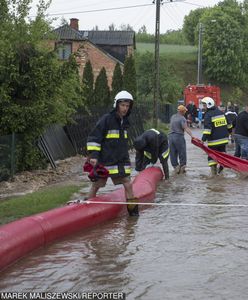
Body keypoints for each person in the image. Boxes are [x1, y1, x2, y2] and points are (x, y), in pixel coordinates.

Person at [83, 90, 138, 216]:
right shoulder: (106, 120)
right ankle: (85, 211)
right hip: (105, 160)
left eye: (127, 106)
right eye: (123, 105)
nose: (125, 108)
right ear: (117, 105)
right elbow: (94, 138)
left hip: (120, 160)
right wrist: (94, 156)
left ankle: (133, 215)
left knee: (128, 184)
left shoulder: (125, 122)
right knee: (97, 184)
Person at [201, 97, 232, 176]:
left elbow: (207, 130)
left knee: (212, 157)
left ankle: (214, 174)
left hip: (213, 142)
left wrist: (202, 140)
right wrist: (229, 133)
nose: (203, 107)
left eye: (204, 105)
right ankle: (221, 171)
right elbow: (229, 125)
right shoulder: (221, 112)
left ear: (208, 105)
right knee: (222, 155)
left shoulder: (208, 115)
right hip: (224, 140)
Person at [168, 105, 193, 174]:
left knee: (172, 153)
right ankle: (182, 168)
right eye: (185, 111)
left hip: (170, 137)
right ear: (183, 112)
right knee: (182, 152)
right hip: (178, 137)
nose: (185, 112)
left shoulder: (173, 116)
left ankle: (176, 167)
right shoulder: (182, 118)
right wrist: (192, 136)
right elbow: (185, 128)